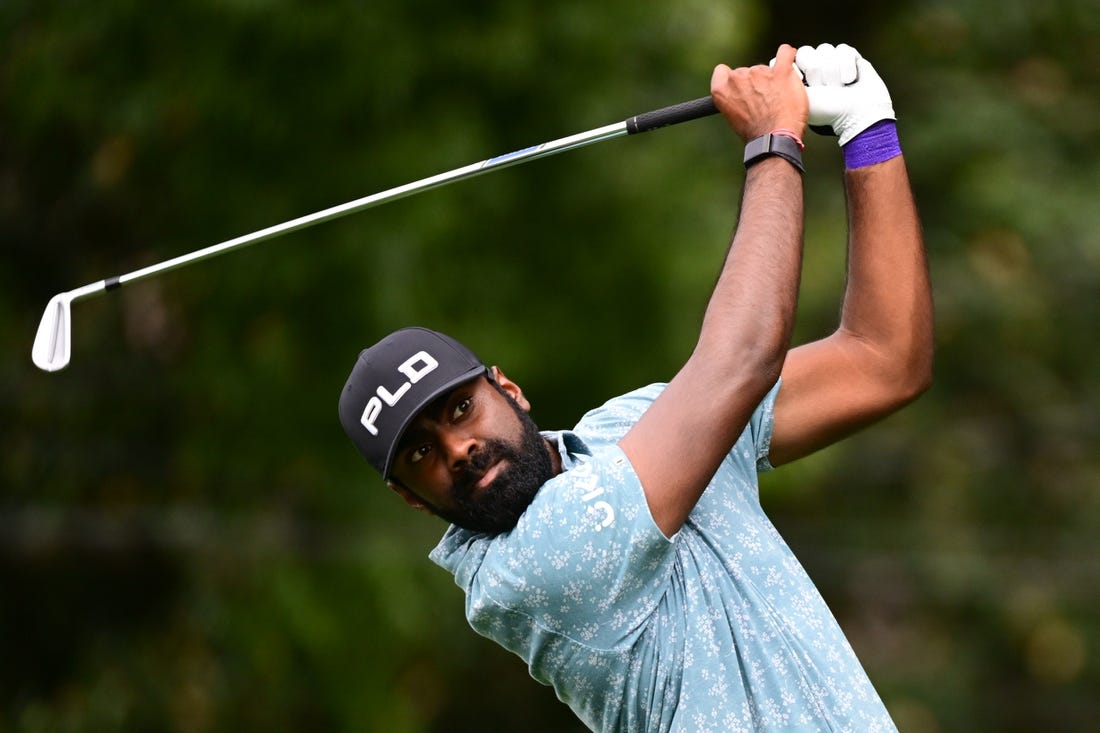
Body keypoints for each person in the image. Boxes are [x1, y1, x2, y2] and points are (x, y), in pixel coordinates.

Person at [338, 42, 932, 732]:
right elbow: (739, 360)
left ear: (510, 389)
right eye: (421, 453)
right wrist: (774, 141)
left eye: (461, 408)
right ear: (411, 499)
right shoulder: (527, 574)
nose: (460, 447)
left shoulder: (635, 427)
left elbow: (883, 360)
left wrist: (868, 128)